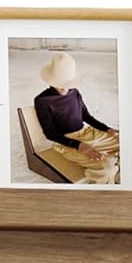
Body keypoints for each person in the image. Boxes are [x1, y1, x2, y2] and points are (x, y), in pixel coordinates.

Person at [34, 52, 120, 184]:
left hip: (88, 134)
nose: (64, 87)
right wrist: (78, 145)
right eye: (59, 82)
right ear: (51, 80)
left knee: (125, 144)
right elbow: (50, 133)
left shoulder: (75, 93)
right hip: (67, 142)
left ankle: (119, 176)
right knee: (106, 166)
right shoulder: (42, 101)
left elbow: (86, 116)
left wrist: (107, 129)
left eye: (67, 83)